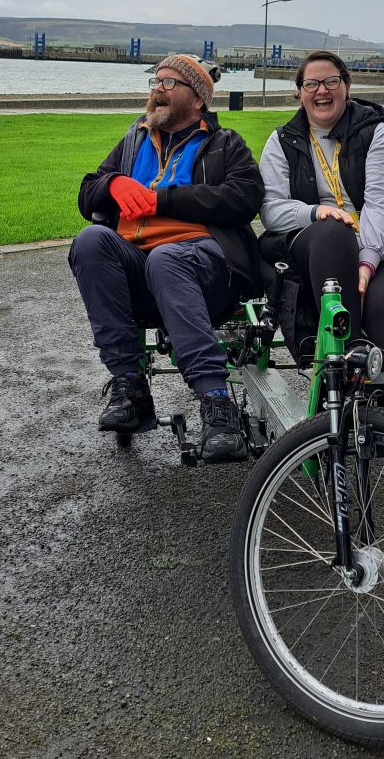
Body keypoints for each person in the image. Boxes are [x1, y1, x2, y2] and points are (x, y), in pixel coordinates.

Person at [69, 54, 264, 461]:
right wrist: (114, 184)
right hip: (139, 269)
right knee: (90, 241)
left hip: (207, 268)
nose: (157, 88)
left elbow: (244, 198)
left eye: (169, 83)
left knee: (168, 258)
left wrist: (163, 200)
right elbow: (87, 193)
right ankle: (130, 388)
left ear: (198, 100)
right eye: (155, 81)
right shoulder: (134, 139)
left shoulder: (225, 144)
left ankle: (216, 403)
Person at [258, 50, 384, 423]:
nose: (321, 91)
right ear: (299, 92)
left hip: (378, 245)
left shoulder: (375, 133)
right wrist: (314, 211)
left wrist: (369, 260)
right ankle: (354, 364)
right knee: (331, 231)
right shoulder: (282, 141)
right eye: (311, 84)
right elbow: (271, 210)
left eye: (331, 81)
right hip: (314, 242)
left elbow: (382, 204)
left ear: (347, 86)